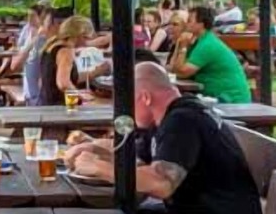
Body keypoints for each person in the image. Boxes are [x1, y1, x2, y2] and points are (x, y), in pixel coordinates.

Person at [65, 62, 262, 213]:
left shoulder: (183, 121)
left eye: (126, 101)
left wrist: (99, 167)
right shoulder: (167, 116)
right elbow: (139, 159)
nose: (122, 110)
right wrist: (93, 147)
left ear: (145, 97)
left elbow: (161, 183)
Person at [169, 6, 252, 103]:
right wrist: (180, 44)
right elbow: (174, 70)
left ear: (201, 24)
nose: (186, 24)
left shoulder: (207, 44)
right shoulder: (198, 41)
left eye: (189, 21)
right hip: (215, 96)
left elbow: (183, 73)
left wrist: (183, 47)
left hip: (230, 98)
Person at [40, 15, 101, 106]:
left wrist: (75, 90)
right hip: (60, 108)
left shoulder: (51, 45)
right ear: (79, 35)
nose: (86, 43)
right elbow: (63, 84)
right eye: (86, 37)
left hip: (47, 104)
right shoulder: (66, 51)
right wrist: (80, 96)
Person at [8, 4, 50, 105]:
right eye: (28, 16)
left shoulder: (43, 39)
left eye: (32, 16)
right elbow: (18, 50)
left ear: (41, 18)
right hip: (30, 89)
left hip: (38, 92)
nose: (29, 19)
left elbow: (15, 65)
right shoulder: (27, 30)